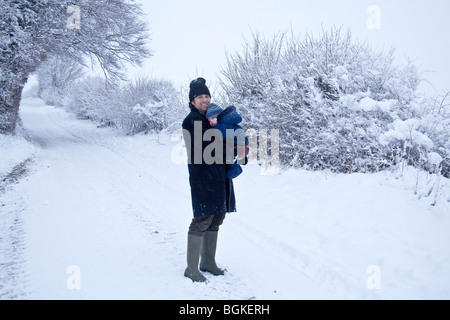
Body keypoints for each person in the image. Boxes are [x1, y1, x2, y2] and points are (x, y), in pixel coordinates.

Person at [181, 77, 236, 282]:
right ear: (192, 101)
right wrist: (224, 137)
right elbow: (208, 146)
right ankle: (191, 268)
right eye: (200, 96)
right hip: (203, 177)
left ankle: (208, 262)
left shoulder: (210, 119)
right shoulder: (192, 120)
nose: (204, 99)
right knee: (203, 218)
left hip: (219, 176)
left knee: (217, 217)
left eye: (207, 96)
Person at [206, 103, 249, 179]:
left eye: (212, 118)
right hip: (237, 146)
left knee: (230, 171)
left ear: (219, 116)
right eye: (209, 120)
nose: (211, 121)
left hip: (236, 146)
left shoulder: (221, 126)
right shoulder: (228, 124)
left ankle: (235, 168)